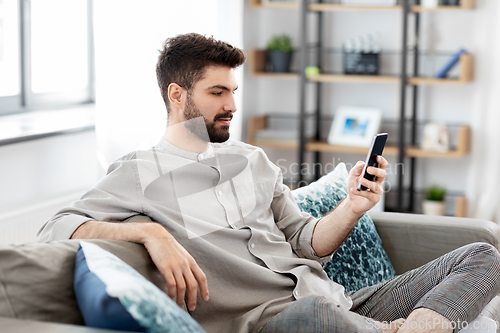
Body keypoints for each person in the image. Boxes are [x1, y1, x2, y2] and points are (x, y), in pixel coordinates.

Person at [38, 33, 500, 333]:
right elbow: (55, 228)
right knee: (316, 316)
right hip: (276, 322)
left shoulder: (251, 160)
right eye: (217, 93)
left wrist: (354, 207)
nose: (231, 105)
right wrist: (148, 231)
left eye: (233, 92)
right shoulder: (139, 172)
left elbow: (305, 241)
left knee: (484, 255)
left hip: (341, 304)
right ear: (177, 95)